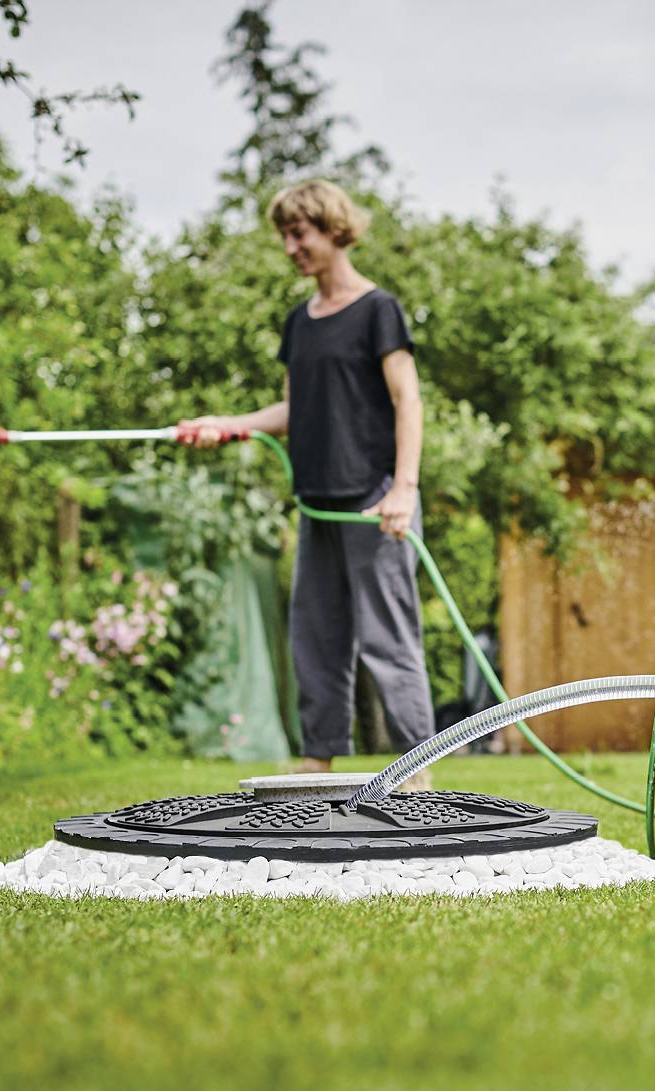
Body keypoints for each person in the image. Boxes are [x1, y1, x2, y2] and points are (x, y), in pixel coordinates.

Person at [180, 178, 435, 776]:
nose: (292, 247)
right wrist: (230, 424)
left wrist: (404, 489)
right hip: (317, 503)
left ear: (333, 230)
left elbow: (408, 401)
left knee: (388, 641)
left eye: (301, 233)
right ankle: (317, 760)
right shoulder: (300, 322)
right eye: (286, 236)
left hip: (375, 501)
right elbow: (295, 410)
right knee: (315, 640)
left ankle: (418, 765)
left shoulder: (378, 310)